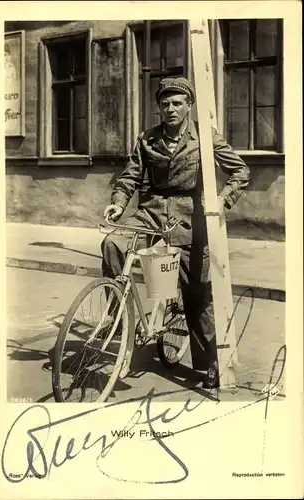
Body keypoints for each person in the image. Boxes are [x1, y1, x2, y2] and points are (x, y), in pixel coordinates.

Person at [102, 77, 250, 389]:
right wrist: (118, 204)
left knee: (196, 291)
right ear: (159, 107)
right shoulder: (148, 138)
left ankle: (211, 362)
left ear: (189, 106)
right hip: (152, 211)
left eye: (177, 103)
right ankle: (119, 322)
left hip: (189, 217)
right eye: (165, 104)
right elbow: (130, 176)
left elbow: (240, 170)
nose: (170, 109)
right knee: (112, 243)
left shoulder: (205, 137)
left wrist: (223, 199)